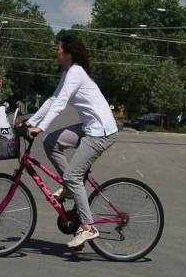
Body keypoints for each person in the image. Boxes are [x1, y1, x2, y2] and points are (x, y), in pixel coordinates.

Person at [26, 33, 118, 250]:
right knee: (51, 143)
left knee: (73, 175)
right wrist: (30, 121)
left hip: (101, 131)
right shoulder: (68, 73)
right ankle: (69, 188)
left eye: (58, 48)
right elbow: (53, 100)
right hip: (89, 127)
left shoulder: (76, 72)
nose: (55, 51)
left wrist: (40, 127)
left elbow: (61, 105)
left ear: (68, 52)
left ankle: (88, 227)